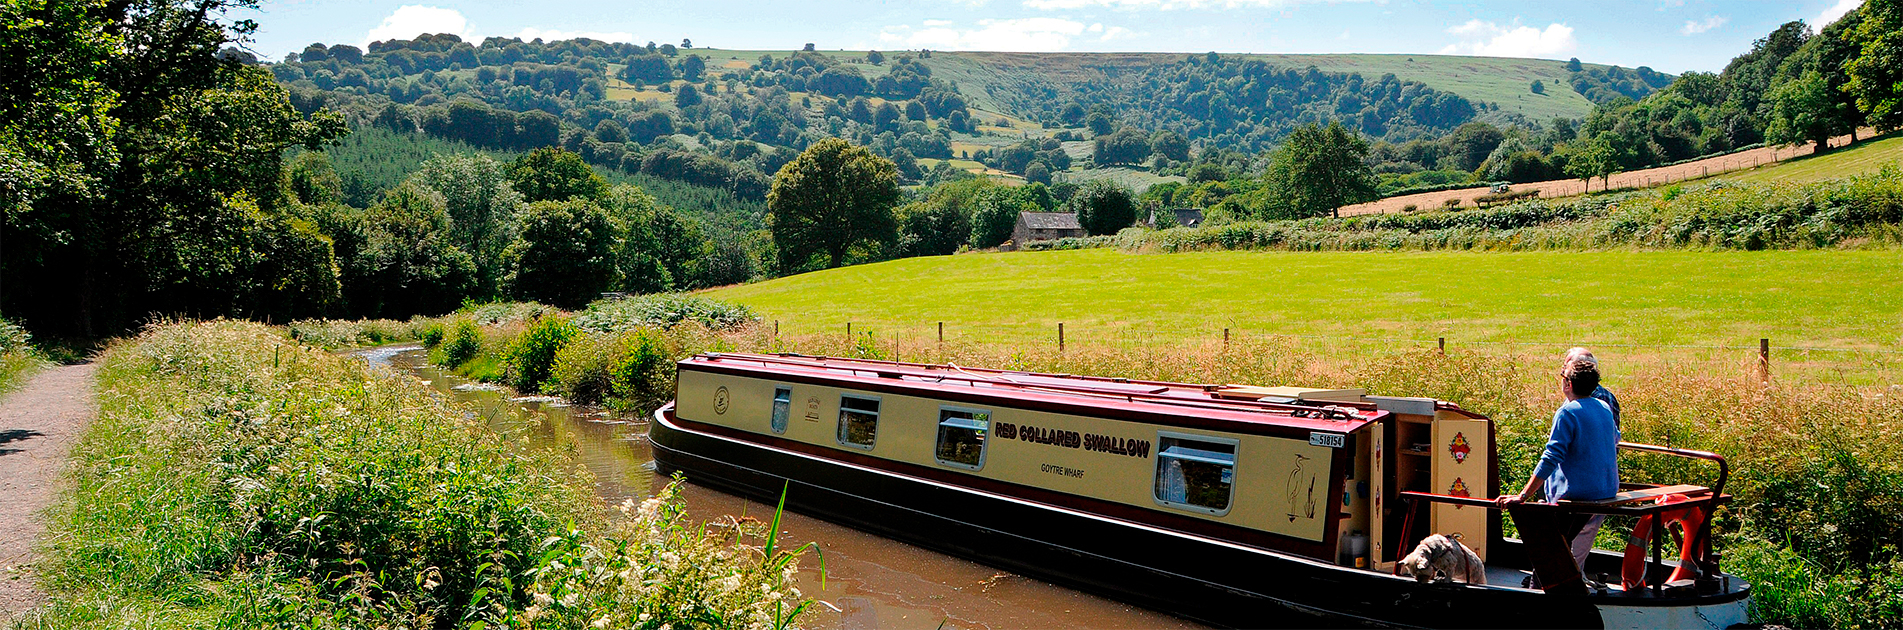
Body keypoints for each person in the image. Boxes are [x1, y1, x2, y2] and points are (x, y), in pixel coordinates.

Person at [1497, 354, 1621, 578]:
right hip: (1606, 491)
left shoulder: (1567, 412)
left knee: (1551, 550)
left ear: (1568, 383)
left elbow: (1551, 456)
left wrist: (1523, 495)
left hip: (1577, 496)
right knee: (1570, 552)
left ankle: (1543, 583)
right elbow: (1615, 439)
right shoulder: (1604, 407)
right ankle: (1567, 578)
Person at [1566, 347, 1620, 427]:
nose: (1562, 372)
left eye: (1565, 367)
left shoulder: (1602, 398)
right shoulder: (1571, 394)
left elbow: (1608, 434)